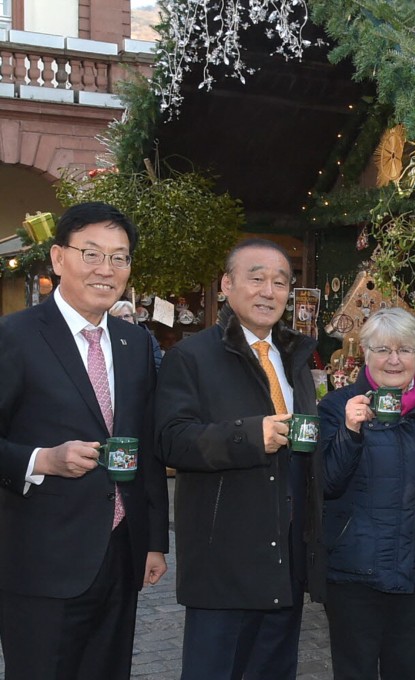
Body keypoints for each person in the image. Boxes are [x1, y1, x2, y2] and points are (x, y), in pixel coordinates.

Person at [0, 201, 169, 679]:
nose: (106, 269)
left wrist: (154, 541)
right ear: (58, 259)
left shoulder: (134, 343)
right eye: (91, 254)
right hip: (41, 561)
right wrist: (41, 459)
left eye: (120, 257)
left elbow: (147, 445)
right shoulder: (14, 336)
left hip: (120, 555)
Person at [155, 238, 317, 680]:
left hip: (284, 558)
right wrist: (248, 436)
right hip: (221, 561)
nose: (269, 290)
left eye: (280, 282)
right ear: (227, 285)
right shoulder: (191, 356)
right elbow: (171, 441)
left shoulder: (295, 358)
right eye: (257, 278)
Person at [314, 307, 415, 680]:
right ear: (366, 355)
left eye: (404, 349)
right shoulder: (338, 408)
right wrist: (349, 432)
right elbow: (326, 485)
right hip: (355, 569)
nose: (394, 360)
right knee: (356, 672)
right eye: (383, 350)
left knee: (404, 670)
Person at [110, 299, 164, 370]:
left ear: (133, 318)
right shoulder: (107, 337)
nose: (123, 319)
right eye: (118, 317)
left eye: (127, 316)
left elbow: (156, 363)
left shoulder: (146, 337)